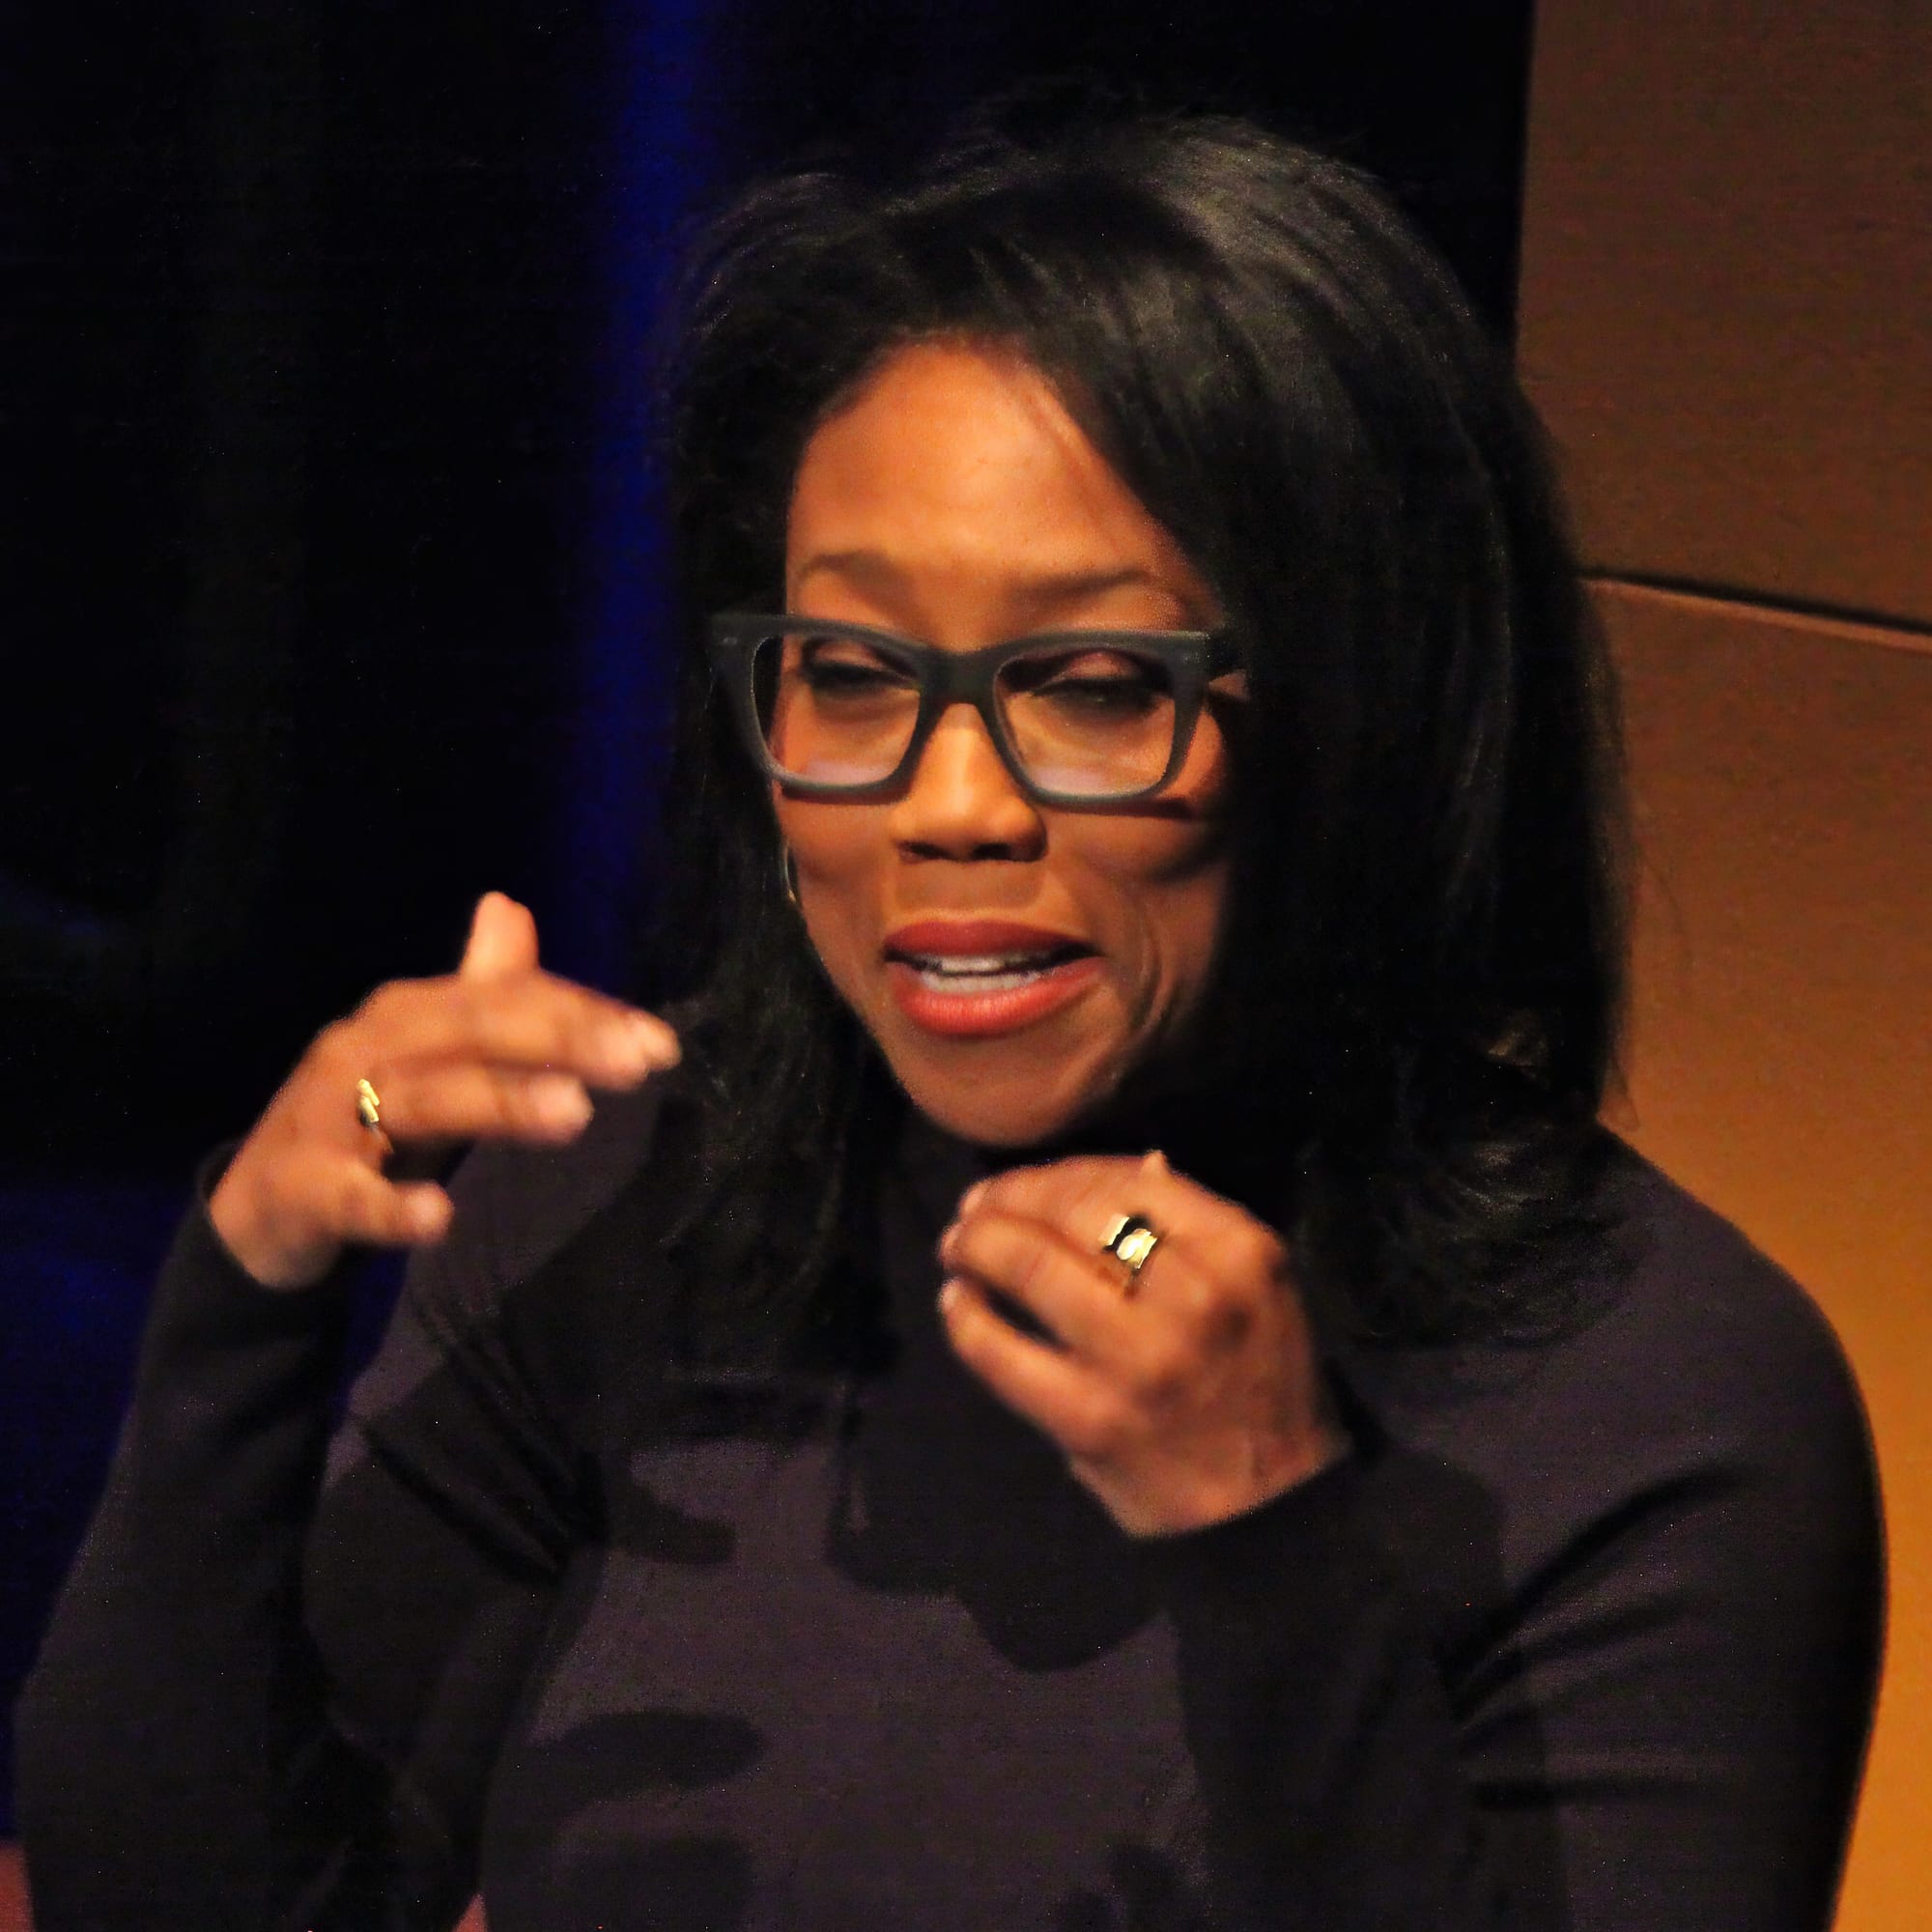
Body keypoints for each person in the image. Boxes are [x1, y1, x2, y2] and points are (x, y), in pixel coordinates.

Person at [18, 108, 1883, 1931]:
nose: (948, 805)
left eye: (1095, 684)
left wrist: (1267, 1546)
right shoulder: (625, 1198)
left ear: (1369, 716)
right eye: (850, 673)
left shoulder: (1669, 1401)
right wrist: (246, 1286)